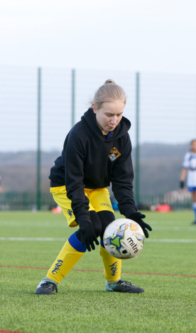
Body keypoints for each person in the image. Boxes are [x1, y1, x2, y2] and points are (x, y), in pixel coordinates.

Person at [35, 79, 152, 295]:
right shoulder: (79, 135)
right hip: (66, 185)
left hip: (97, 188)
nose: (114, 120)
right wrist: (83, 218)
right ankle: (48, 281)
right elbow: (74, 181)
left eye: (119, 115)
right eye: (109, 115)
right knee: (92, 227)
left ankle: (113, 282)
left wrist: (130, 211)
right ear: (95, 108)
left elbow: (122, 179)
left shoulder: (122, 138)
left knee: (111, 228)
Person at [179, 139, 196, 225]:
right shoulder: (188, 155)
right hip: (191, 180)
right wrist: (182, 180)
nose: (194, 146)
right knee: (195, 199)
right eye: (193, 144)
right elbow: (185, 168)